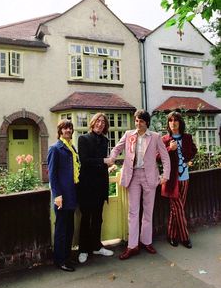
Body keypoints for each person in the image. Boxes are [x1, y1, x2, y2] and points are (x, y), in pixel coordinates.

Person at [109, 109, 170, 260]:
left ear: (146, 122)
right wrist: (111, 159)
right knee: (133, 212)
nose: (137, 123)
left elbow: (165, 157)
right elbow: (117, 148)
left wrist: (165, 176)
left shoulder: (155, 137)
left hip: (149, 177)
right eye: (136, 120)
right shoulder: (129, 134)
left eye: (141, 121)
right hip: (133, 176)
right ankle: (132, 246)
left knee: (148, 211)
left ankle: (146, 241)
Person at [78, 112, 114, 264]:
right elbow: (85, 161)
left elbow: (102, 164)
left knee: (98, 218)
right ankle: (83, 250)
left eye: (103, 123)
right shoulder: (83, 139)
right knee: (86, 219)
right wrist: (104, 161)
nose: (100, 124)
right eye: (98, 121)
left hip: (100, 185)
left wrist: (107, 165)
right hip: (87, 186)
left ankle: (97, 246)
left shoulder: (105, 141)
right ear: (92, 123)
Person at [161, 111, 197, 249]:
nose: (173, 123)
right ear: (168, 124)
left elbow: (194, 150)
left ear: (180, 123)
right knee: (179, 208)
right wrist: (170, 149)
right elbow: (158, 156)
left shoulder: (187, 137)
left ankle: (171, 235)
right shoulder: (164, 139)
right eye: (170, 120)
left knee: (175, 209)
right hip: (171, 180)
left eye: (176, 120)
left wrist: (187, 159)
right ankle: (184, 237)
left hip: (185, 178)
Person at [47, 119, 80, 272]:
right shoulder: (55, 148)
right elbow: (52, 175)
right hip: (62, 196)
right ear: (60, 131)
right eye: (65, 128)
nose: (68, 130)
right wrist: (57, 195)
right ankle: (60, 260)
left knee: (69, 228)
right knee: (61, 229)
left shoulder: (71, 147)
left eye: (70, 128)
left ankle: (67, 256)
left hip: (72, 194)